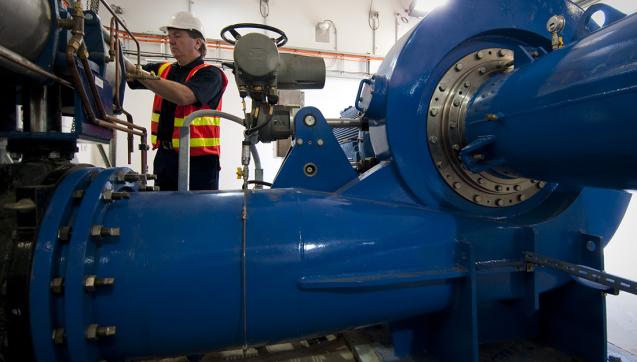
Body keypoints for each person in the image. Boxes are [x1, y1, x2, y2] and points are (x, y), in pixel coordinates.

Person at [126, 11, 228, 191]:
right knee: (166, 213)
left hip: (199, 162)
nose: (171, 41)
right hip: (165, 157)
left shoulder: (211, 74)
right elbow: (129, 73)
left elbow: (184, 96)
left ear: (197, 42)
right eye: (169, 36)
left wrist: (138, 73)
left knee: (197, 215)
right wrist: (112, 49)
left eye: (178, 36)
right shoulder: (163, 69)